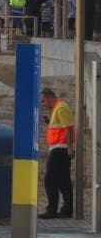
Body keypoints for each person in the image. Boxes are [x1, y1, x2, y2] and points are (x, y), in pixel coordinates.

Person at [39, 88, 75, 219]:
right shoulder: (58, 108)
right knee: (63, 180)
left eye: (43, 101)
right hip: (60, 148)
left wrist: (70, 147)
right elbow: (61, 126)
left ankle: (52, 209)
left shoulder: (60, 108)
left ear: (50, 97)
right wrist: (49, 121)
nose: (43, 104)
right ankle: (67, 210)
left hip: (60, 149)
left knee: (50, 180)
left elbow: (69, 128)